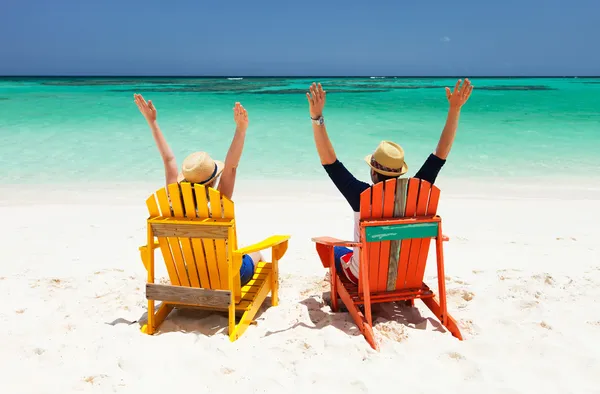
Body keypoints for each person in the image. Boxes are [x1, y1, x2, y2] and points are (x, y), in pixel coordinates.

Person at [305, 79, 473, 285]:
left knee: (330, 247)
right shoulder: (418, 191)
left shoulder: (361, 196)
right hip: (406, 276)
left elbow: (330, 162)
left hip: (365, 279)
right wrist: (455, 109)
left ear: (373, 173)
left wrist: (317, 117)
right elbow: (440, 154)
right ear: (400, 171)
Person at [133, 93, 262, 286]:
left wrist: (152, 122)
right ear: (212, 181)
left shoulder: (172, 203)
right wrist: (241, 130)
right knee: (256, 253)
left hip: (189, 277)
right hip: (226, 279)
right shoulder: (219, 204)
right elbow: (232, 166)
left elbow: (169, 161)